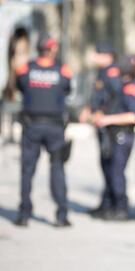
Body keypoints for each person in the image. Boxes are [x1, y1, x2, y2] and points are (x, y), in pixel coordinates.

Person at [14, 33, 72, 227]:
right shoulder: (62, 70)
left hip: (32, 125)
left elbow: (19, 87)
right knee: (57, 168)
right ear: (52, 49)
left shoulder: (25, 69)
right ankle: (61, 215)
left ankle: (24, 214)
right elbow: (66, 89)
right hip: (55, 126)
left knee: (27, 171)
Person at [90, 55, 135, 220]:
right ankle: (107, 206)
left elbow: (133, 116)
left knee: (117, 173)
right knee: (108, 171)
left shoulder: (131, 88)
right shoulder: (119, 87)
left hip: (122, 135)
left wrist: (107, 120)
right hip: (111, 135)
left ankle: (121, 208)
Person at [78, 43, 124, 219]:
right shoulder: (102, 72)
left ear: (107, 56)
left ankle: (117, 205)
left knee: (113, 167)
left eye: (97, 53)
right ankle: (105, 204)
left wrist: (101, 112)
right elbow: (97, 95)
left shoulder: (113, 73)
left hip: (110, 125)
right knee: (105, 165)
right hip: (101, 125)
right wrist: (89, 108)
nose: (94, 57)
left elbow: (114, 99)